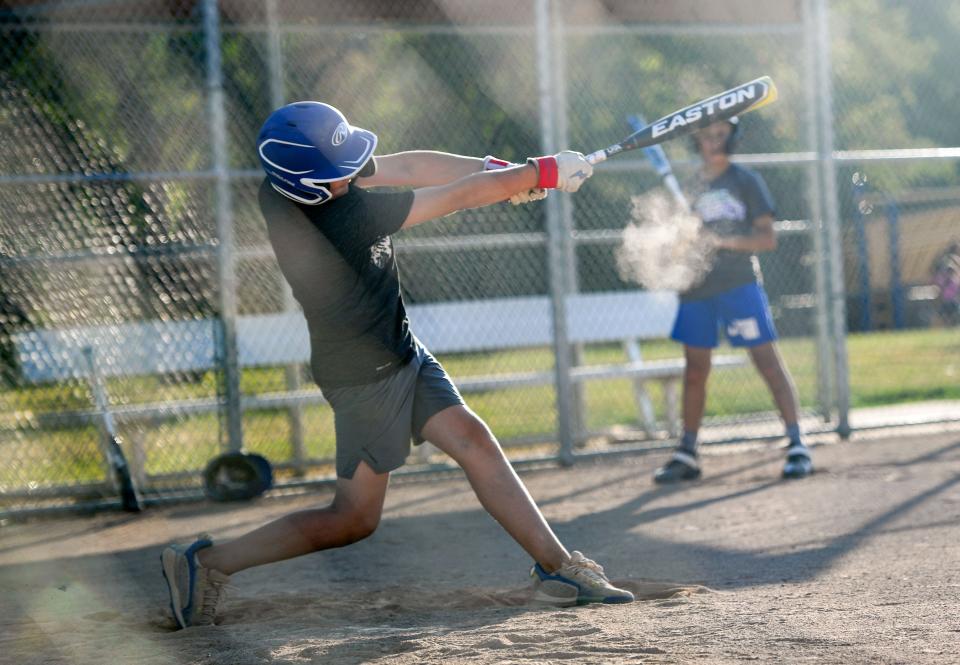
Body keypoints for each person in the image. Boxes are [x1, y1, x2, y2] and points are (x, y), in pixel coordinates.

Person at [160, 101, 634, 629]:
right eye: (339, 175)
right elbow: (452, 197)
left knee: (472, 438)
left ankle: (558, 568)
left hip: (399, 350)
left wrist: (502, 171)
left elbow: (409, 165)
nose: (352, 177)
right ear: (311, 185)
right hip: (365, 379)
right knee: (353, 519)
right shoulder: (341, 218)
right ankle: (205, 563)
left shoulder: (296, 183)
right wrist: (539, 173)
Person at [653, 116, 813, 484]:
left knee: (767, 363)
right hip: (696, 288)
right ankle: (687, 452)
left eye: (721, 135)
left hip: (738, 284)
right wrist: (683, 239)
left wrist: (721, 240)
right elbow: (678, 245)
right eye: (706, 136)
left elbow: (766, 239)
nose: (713, 142)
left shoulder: (746, 181)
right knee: (694, 371)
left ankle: (796, 444)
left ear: (733, 139)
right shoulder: (689, 186)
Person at [930, 240, 960, 326]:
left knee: (951, 312)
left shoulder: (953, 278)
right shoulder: (949, 261)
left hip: (951, 299)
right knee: (943, 314)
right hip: (946, 299)